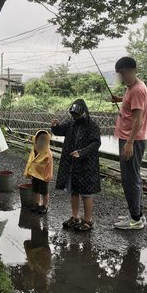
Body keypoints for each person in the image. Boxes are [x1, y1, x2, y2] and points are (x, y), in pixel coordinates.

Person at [51, 99, 101, 231]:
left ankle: (87, 221)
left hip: (86, 165)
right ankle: (75, 217)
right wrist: (55, 127)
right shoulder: (71, 124)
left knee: (87, 193)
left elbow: (96, 143)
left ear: (84, 113)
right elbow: (59, 131)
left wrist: (82, 152)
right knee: (73, 191)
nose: (75, 117)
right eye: (73, 115)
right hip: (72, 163)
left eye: (77, 115)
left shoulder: (92, 126)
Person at [112, 56, 147, 230]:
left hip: (131, 140)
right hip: (131, 139)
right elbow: (132, 103)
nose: (120, 77)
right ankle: (138, 214)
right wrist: (120, 99)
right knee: (134, 178)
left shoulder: (137, 90)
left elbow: (138, 120)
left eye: (122, 73)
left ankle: (135, 220)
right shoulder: (132, 86)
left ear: (130, 70)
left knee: (129, 180)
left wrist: (129, 143)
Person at [24, 130, 53, 214]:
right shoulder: (34, 150)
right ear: (36, 140)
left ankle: (44, 206)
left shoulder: (48, 153)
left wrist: (48, 176)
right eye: (40, 140)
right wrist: (28, 172)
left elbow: (49, 166)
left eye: (44, 140)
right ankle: (37, 204)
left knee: (44, 191)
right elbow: (30, 161)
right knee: (35, 190)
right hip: (35, 174)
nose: (41, 142)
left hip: (43, 175)